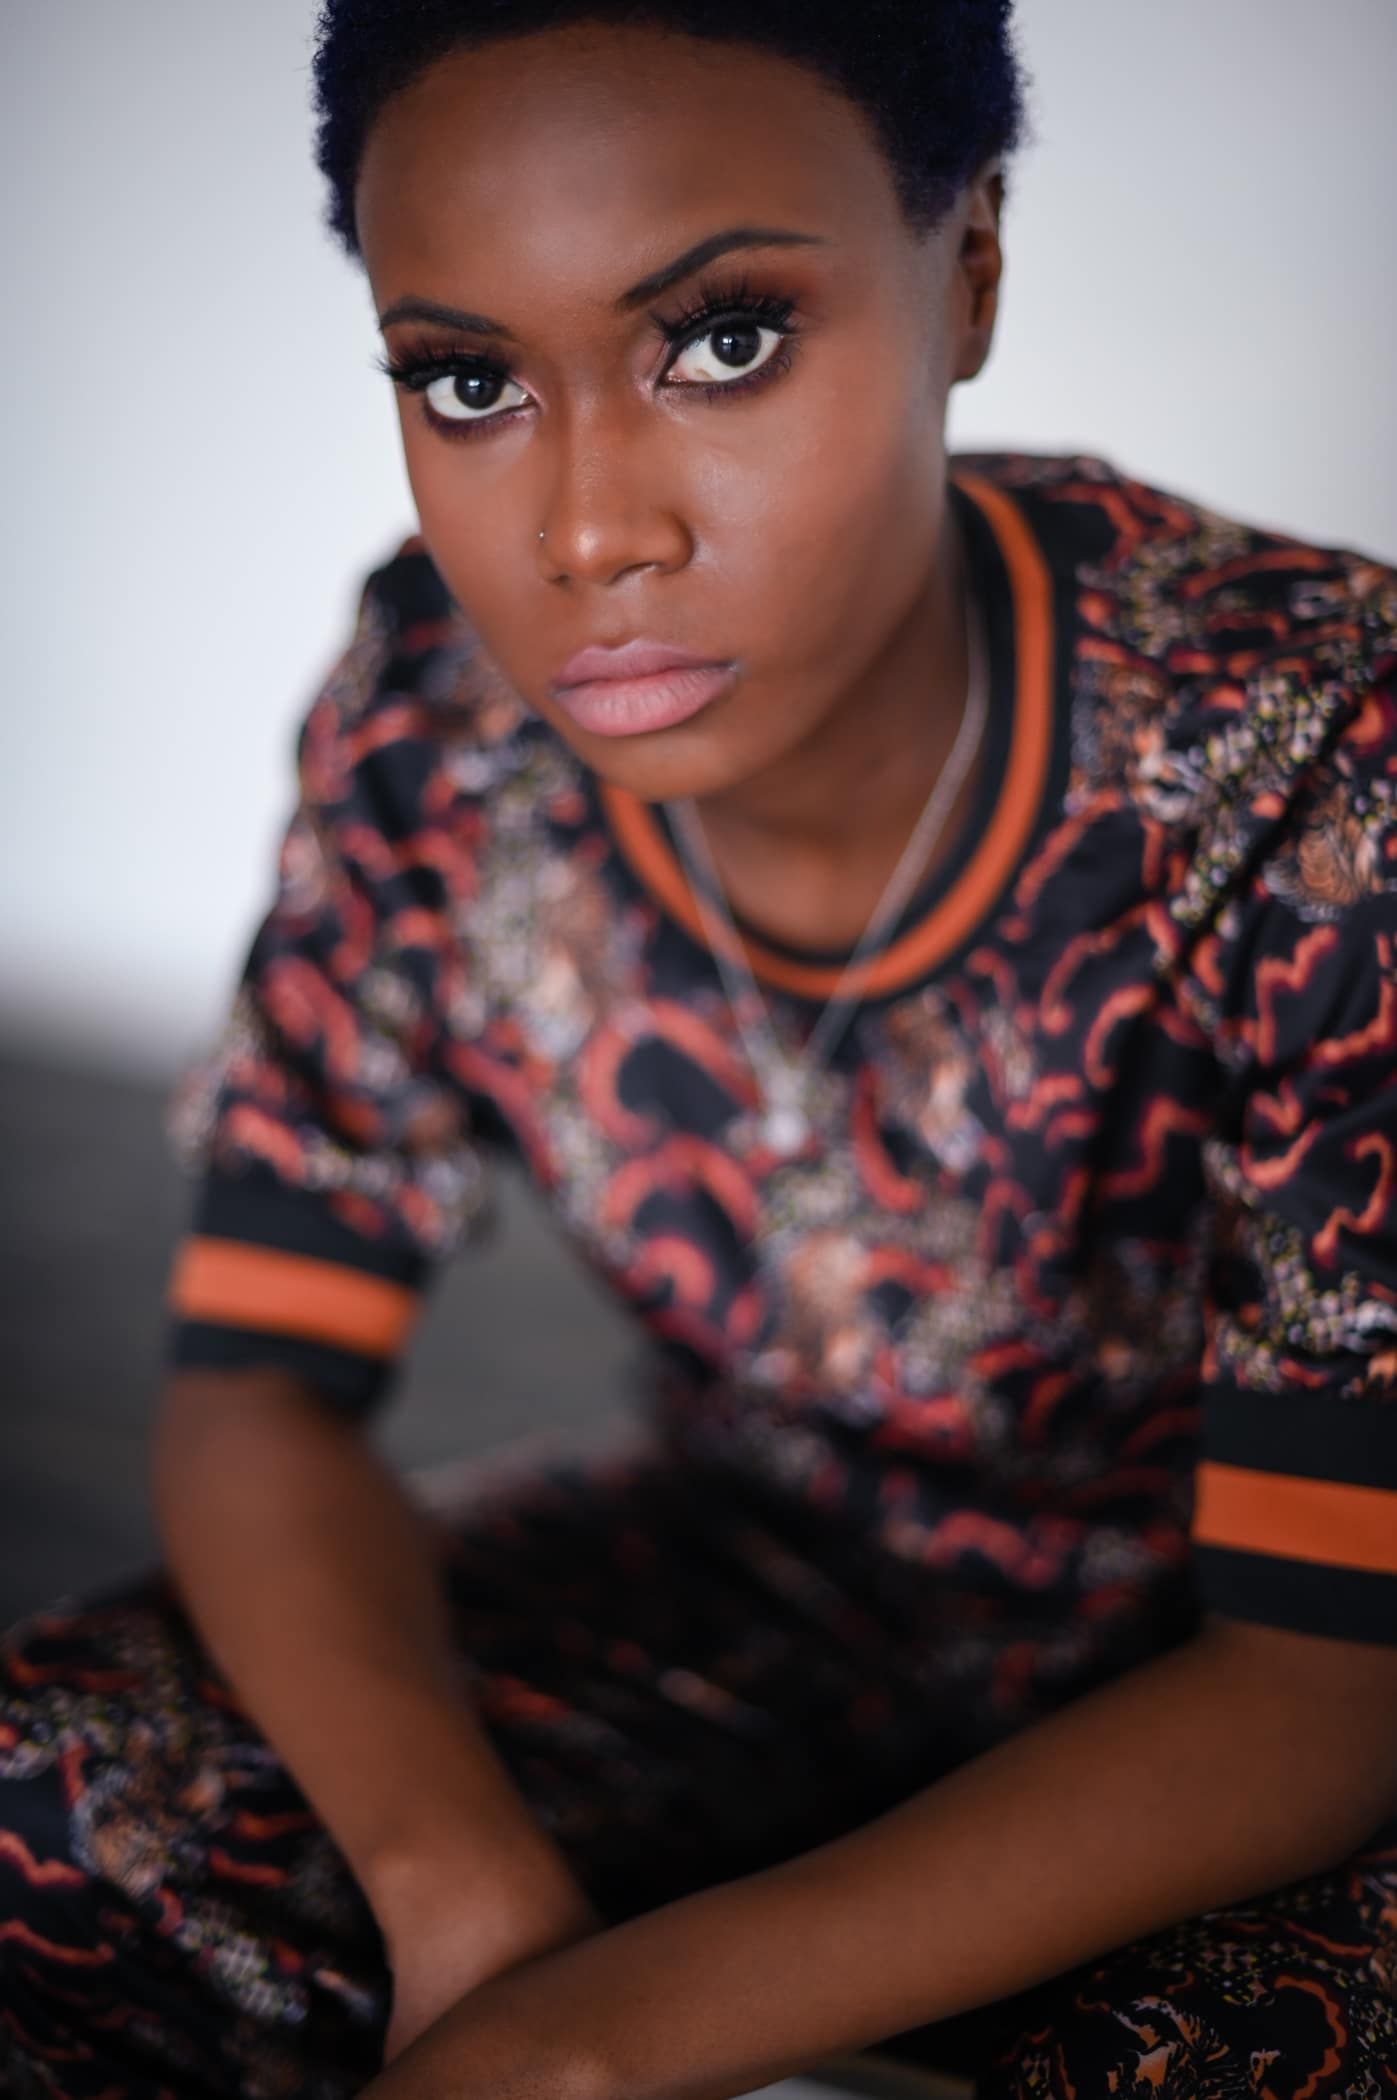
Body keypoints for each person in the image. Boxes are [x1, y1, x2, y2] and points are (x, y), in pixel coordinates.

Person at [3, 2, 1396, 2093]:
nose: (587, 534)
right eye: (467, 380)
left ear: (973, 274)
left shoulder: (1308, 756)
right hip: (774, 1583)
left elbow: (1323, 1682)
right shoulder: (441, 721)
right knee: (45, 1793)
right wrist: (465, 1899)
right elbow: (260, 1385)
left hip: (1269, 1704)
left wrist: (582, 2047)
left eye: (722, 340)